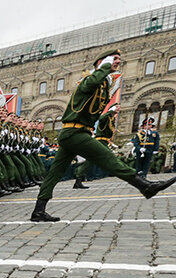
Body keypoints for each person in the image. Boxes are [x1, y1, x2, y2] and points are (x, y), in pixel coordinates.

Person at [33, 50, 176, 222]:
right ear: (102, 62)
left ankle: (38, 210)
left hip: (75, 132)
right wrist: (105, 67)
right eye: (114, 59)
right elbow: (89, 85)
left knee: (54, 173)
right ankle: (144, 186)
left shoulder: (102, 85)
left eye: (118, 60)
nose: (117, 62)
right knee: (108, 158)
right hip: (75, 132)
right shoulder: (89, 80)